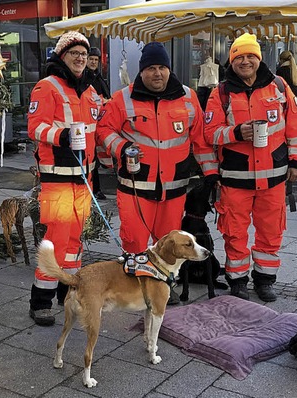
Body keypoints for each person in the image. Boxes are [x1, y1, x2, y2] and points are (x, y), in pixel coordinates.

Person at [96, 42, 219, 304]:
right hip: (135, 187)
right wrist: (123, 147)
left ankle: (163, 288)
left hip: (174, 189)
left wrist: (211, 175)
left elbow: (200, 140)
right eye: (151, 68)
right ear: (141, 71)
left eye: (162, 67)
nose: (157, 73)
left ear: (169, 69)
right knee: (135, 242)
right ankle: (135, 290)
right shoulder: (122, 99)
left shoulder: (188, 97)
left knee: (169, 247)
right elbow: (104, 130)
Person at [204, 33, 297, 302]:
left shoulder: (279, 86)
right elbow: (209, 133)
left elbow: (296, 129)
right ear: (232, 60)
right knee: (234, 233)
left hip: (274, 179)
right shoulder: (221, 92)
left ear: (259, 58)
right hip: (235, 180)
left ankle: (264, 280)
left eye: (250, 56)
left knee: (270, 232)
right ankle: (238, 280)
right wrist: (237, 132)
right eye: (239, 57)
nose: (245, 61)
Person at [27, 31, 104, 326]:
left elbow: (96, 132)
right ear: (62, 56)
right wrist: (61, 136)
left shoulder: (91, 90)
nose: (80, 57)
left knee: (75, 240)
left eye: (84, 53)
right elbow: (35, 127)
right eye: (74, 52)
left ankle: (66, 290)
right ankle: (40, 301)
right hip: (57, 178)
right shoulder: (47, 87)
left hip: (84, 178)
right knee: (56, 239)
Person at [85, 46, 111, 201]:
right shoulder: (86, 78)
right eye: (91, 59)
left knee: (97, 158)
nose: (94, 62)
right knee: (92, 158)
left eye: (96, 60)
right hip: (91, 123)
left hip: (100, 121)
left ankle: (95, 188)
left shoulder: (98, 76)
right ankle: (94, 189)